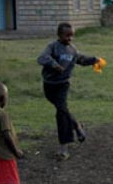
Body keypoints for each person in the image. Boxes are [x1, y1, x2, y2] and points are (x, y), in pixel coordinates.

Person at [37, 22, 103, 160]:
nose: (70, 38)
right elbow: (42, 58)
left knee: (61, 113)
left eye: (71, 36)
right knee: (63, 110)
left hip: (63, 85)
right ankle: (76, 125)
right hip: (49, 85)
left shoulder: (72, 49)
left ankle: (64, 148)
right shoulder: (52, 47)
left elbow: (81, 59)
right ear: (59, 35)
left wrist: (94, 60)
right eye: (67, 36)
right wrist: (54, 65)